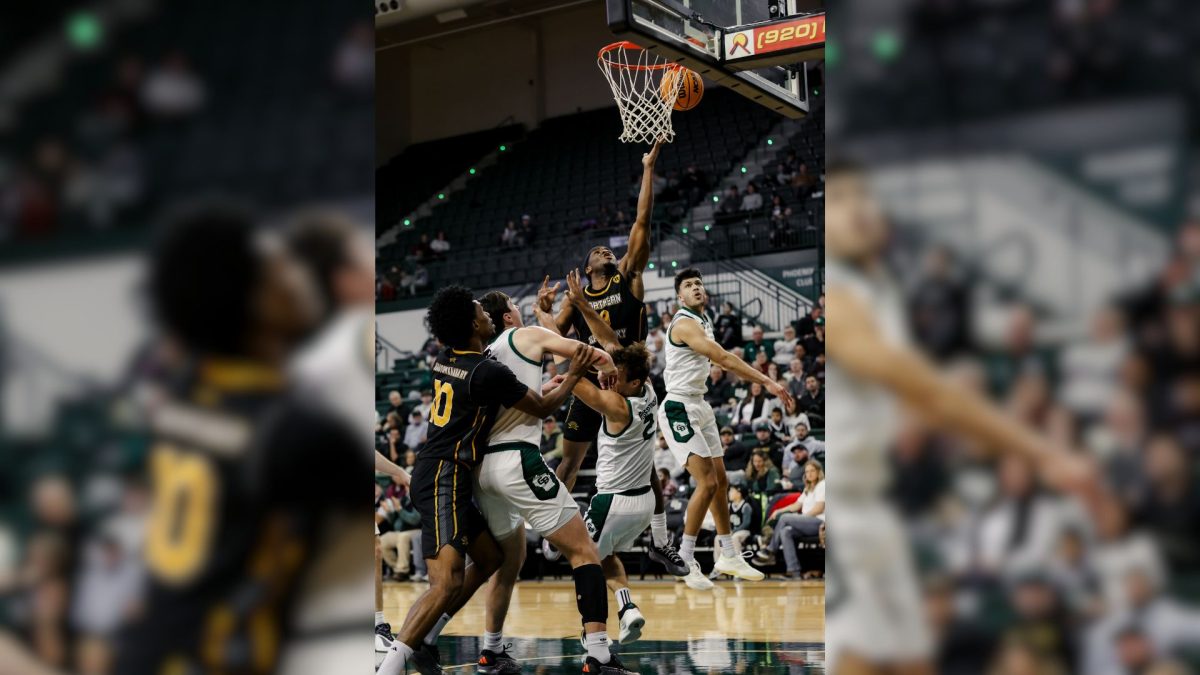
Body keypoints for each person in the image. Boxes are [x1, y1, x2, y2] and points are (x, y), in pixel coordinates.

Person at [822, 160, 1096, 673]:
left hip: (873, 510)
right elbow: (928, 390)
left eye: (862, 194)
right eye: (837, 199)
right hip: (845, 514)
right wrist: (1040, 449)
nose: (857, 207)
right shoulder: (836, 296)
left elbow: (923, 402)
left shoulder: (879, 287)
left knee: (913, 661)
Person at [105, 204, 370, 675]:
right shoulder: (298, 436)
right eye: (277, 268)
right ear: (251, 301)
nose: (296, 277)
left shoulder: (181, 396)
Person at [377, 286, 594, 675]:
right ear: (471, 323)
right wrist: (574, 373)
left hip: (447, 472)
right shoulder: (486, 370)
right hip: (444, 475)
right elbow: (541, 408)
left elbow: (503, 397)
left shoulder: (448, 359)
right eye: (479, 309)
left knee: (492, 557)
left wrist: (541, 383)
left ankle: (426, 640)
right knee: (444, 584)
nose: (486, 311)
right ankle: (391, 665)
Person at [537, 142, 687, 576]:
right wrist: (543, 309)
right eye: (599, 252)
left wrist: (648, 168)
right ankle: (554, 528)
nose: (607, 251)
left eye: (609, 251)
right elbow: (552, 337)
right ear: (587, 268)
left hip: (631, 378)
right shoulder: (577, 295)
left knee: (645, 468)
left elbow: (642, 220)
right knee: (570, 459)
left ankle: (660, 539)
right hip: (593, 383)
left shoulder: (629, 277)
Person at [472, 288, 638, 675]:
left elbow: (514, 400)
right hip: (518, 460)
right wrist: (607, 367)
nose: (518, 310)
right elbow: (593, 354)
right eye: (515, 306)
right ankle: (598, 654)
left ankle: (491, 650)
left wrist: (545, 389)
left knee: (510, 560)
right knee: (584, 550)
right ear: (510, 318)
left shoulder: (486, 353)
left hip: (486, 469)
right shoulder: (524, 334)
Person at [657, 267, 796, 589]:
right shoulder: (685, 323)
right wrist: (768, 382)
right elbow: (723, 358)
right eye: (688, 285)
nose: (695, 288)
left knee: (720, 481)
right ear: (679, 296)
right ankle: (686, 557)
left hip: (701, 405)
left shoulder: (705, 321)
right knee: (706, 483)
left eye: (698, 284)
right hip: (679, 406)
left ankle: (729, 553)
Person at [753, 461, 825, 579]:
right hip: (807, 523)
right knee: (785, 531)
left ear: (818, 472)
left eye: (812, 471)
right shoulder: (808, 488)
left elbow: (819, 508)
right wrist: (779, 511)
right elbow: (796, 505)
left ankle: (770, 550)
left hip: (819, 523)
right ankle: (794, 571)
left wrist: (800, 518)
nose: (809, 474)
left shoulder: (822, 485)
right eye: (807, 471)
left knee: (786, 518)